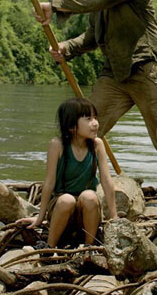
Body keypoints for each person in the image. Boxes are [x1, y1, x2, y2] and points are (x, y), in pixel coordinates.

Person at [34, 0, 157, 172]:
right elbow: (92, 37)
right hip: (115, 76)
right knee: (80, 132)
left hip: (147, 70)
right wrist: (66, 47)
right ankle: (74, 191)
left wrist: (55, 5)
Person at [17, 97, 117, 249]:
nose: (95, 123)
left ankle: (89, 248)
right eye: (88, 119)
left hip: (87, 212)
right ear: (71, 126)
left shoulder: (97, 145)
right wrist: (40, 216)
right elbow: (49, 183)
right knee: (67, 200)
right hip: (61, 207)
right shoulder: (57, 145)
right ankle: (49, 247)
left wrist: (114, 216)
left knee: (89, 196)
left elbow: (107, 181)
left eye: (95, 118)